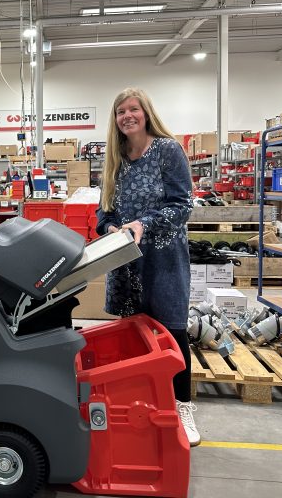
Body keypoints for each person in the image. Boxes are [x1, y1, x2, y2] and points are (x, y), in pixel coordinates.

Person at [95, 87, 199, 446]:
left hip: (163, 259)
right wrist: (109, 226)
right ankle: (141, 404)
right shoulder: (115, 157)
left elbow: (183, 205)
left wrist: (145, 224)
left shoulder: (166, 150)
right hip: (126, 261)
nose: (127, 116)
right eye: (120, 111)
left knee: (172, 332)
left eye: (133, 109)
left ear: (146, 113)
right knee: (133, 333)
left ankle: (182, 405)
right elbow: (103, 210)